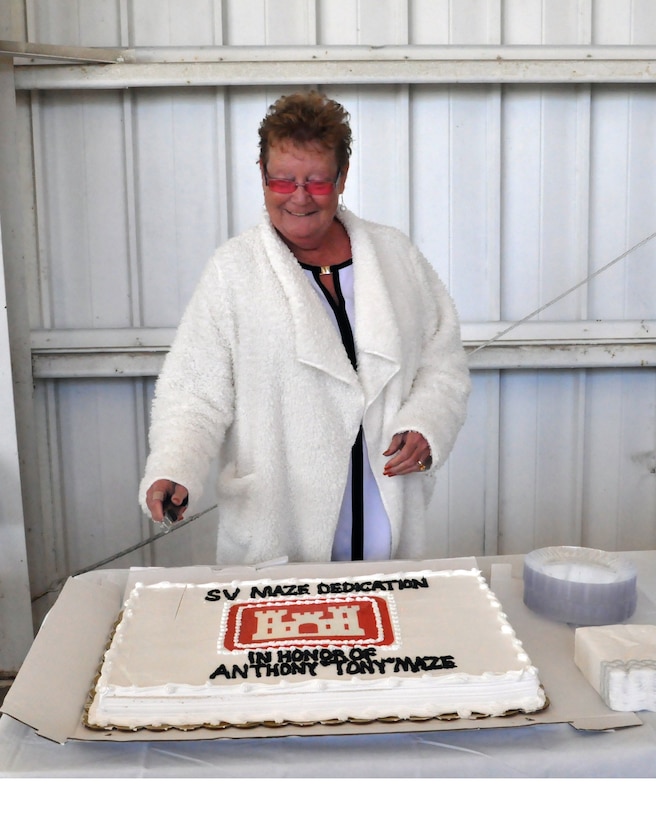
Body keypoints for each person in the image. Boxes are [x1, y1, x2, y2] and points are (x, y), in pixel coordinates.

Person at [140, 91, 471, 565]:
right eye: (283, 180)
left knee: (394, 635)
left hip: (389, 529)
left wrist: (427, 425)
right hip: (278, 534)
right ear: (261, 174)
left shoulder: (395, 257)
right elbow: (193, 393)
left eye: (316, 182)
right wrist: (174, 466)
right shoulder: (233, 272)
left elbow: (444, 363)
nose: (299, 197)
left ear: (342, 178)